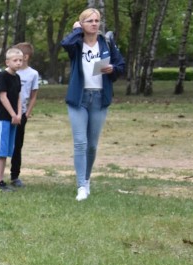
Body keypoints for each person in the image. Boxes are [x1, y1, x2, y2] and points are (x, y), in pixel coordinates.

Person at [61, 8, 125, 201]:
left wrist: (112, 68)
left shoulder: (106, 42)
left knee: (92, 146)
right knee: (80, 143)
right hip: (78, 99)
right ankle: (81, 186)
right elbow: (65, 43)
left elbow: (120, 65)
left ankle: (87, 179)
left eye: (97, 20)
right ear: (82, 24)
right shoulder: (77, 43)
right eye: (89, 21)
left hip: (99, 98)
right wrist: (76, 31)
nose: (94, 24)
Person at [0, 47, 23, 190]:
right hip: (3, 117)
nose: (18, 63)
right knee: (0, 150)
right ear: (7, 62)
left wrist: (19, 114)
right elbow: (3, 97)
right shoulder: (3, 76)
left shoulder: (17, 77)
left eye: (20, 60)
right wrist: (12, 114)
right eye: (15, 60)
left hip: (13, 119)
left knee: (7, 150)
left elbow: (19, 97)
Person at [9, 42, 40, 187]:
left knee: (17, 145)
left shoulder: (32, 74)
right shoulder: (8, 72)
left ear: (25, 57)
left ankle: (15, 176)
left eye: (19, 57)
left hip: (21, 114)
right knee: (4, 144)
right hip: (8, 113)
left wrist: (27, 113)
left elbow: (34, 95)